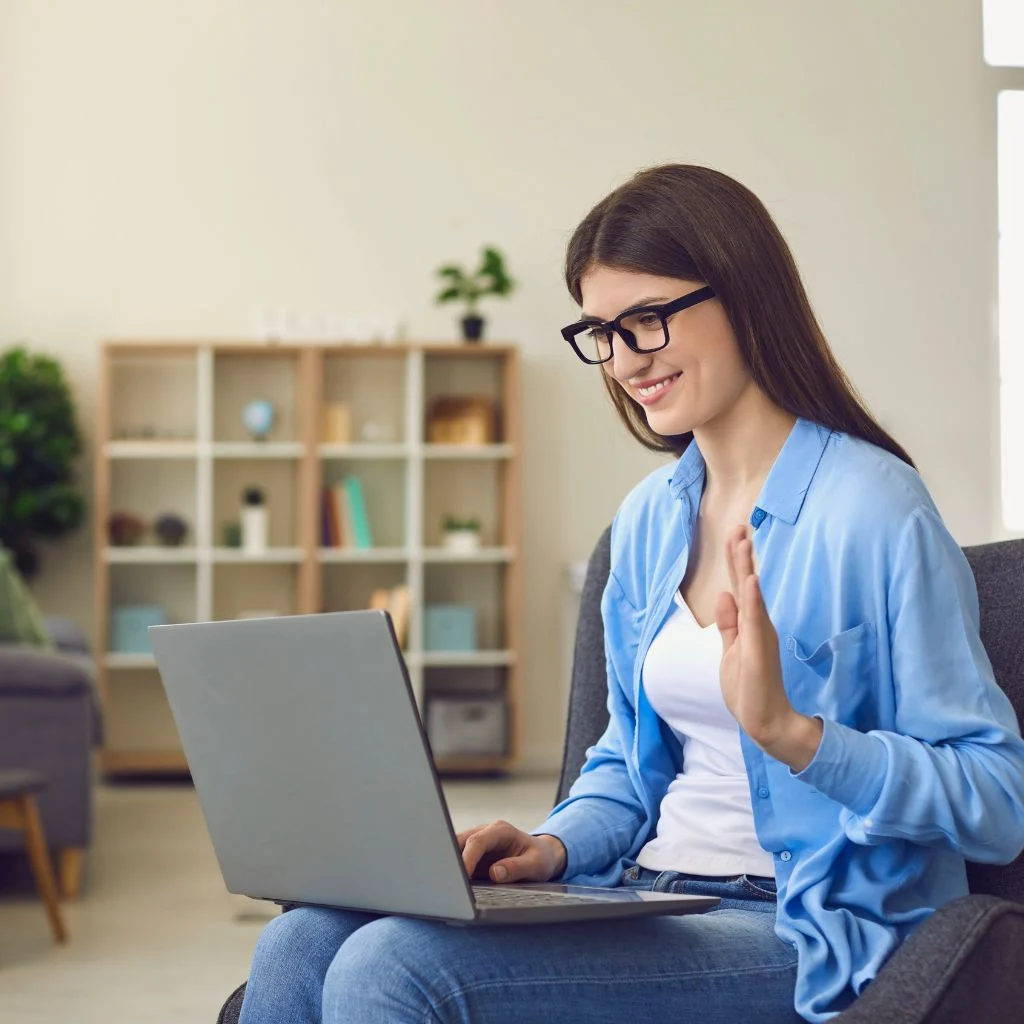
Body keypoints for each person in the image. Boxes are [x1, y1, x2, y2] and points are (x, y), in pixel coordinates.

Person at [238, 164, 1024, 1023]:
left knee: (395, 966)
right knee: (302, 940)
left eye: (647, 320)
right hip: (650, 894)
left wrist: (796, 736)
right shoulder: (649, 520)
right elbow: (625, 768)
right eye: (601, 332)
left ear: (746, 294)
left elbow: (996, 802)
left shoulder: (874, 508)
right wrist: (549, 847)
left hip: (804, 933)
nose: (624, 360)